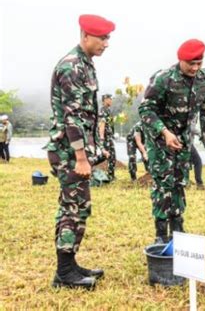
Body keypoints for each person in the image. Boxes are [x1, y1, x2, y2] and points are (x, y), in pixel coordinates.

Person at [44, 14, 114, 289]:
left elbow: (86, 116)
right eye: (102, 38)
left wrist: (94, 151)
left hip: (74, 150)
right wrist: (82, 158)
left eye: (108, 38)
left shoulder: (86, 64)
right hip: (68, 152)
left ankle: (70, 264)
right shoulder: (72, 67)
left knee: (79, 207)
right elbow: (72, 117)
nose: (106, 43)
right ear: (86, 36)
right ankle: (64, 274)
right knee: (73, 208)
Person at [139, 39, 205, 244]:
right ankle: (160, 234)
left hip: (183, 141)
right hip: (160, 141)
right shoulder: (163, 78)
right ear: (180, 60)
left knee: (179, 183)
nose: (195, 68)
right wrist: (164, 132)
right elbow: (146, 110)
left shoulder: (204, 81)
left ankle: (177, 228)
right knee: (163, 185)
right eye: (190, 63)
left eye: (199, 63)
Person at [98, 94, 116, 180]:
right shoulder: (103, 110)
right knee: (107, 155)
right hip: (105, 137)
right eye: (110, 99)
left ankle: (111, 175)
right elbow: (102, 124)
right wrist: (101, 138)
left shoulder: (108, 110)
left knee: (112, 156)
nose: (111, 100)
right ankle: (108, 176)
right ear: (105, 100)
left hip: (109, 136)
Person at [189, 118, 205, 190]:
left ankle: (185, 181)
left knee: (185, 162)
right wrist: (200, 134)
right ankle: (199, 183)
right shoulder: (191, 111)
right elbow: (191, 128)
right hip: (186, 142)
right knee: (198, 161)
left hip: (183, 141)